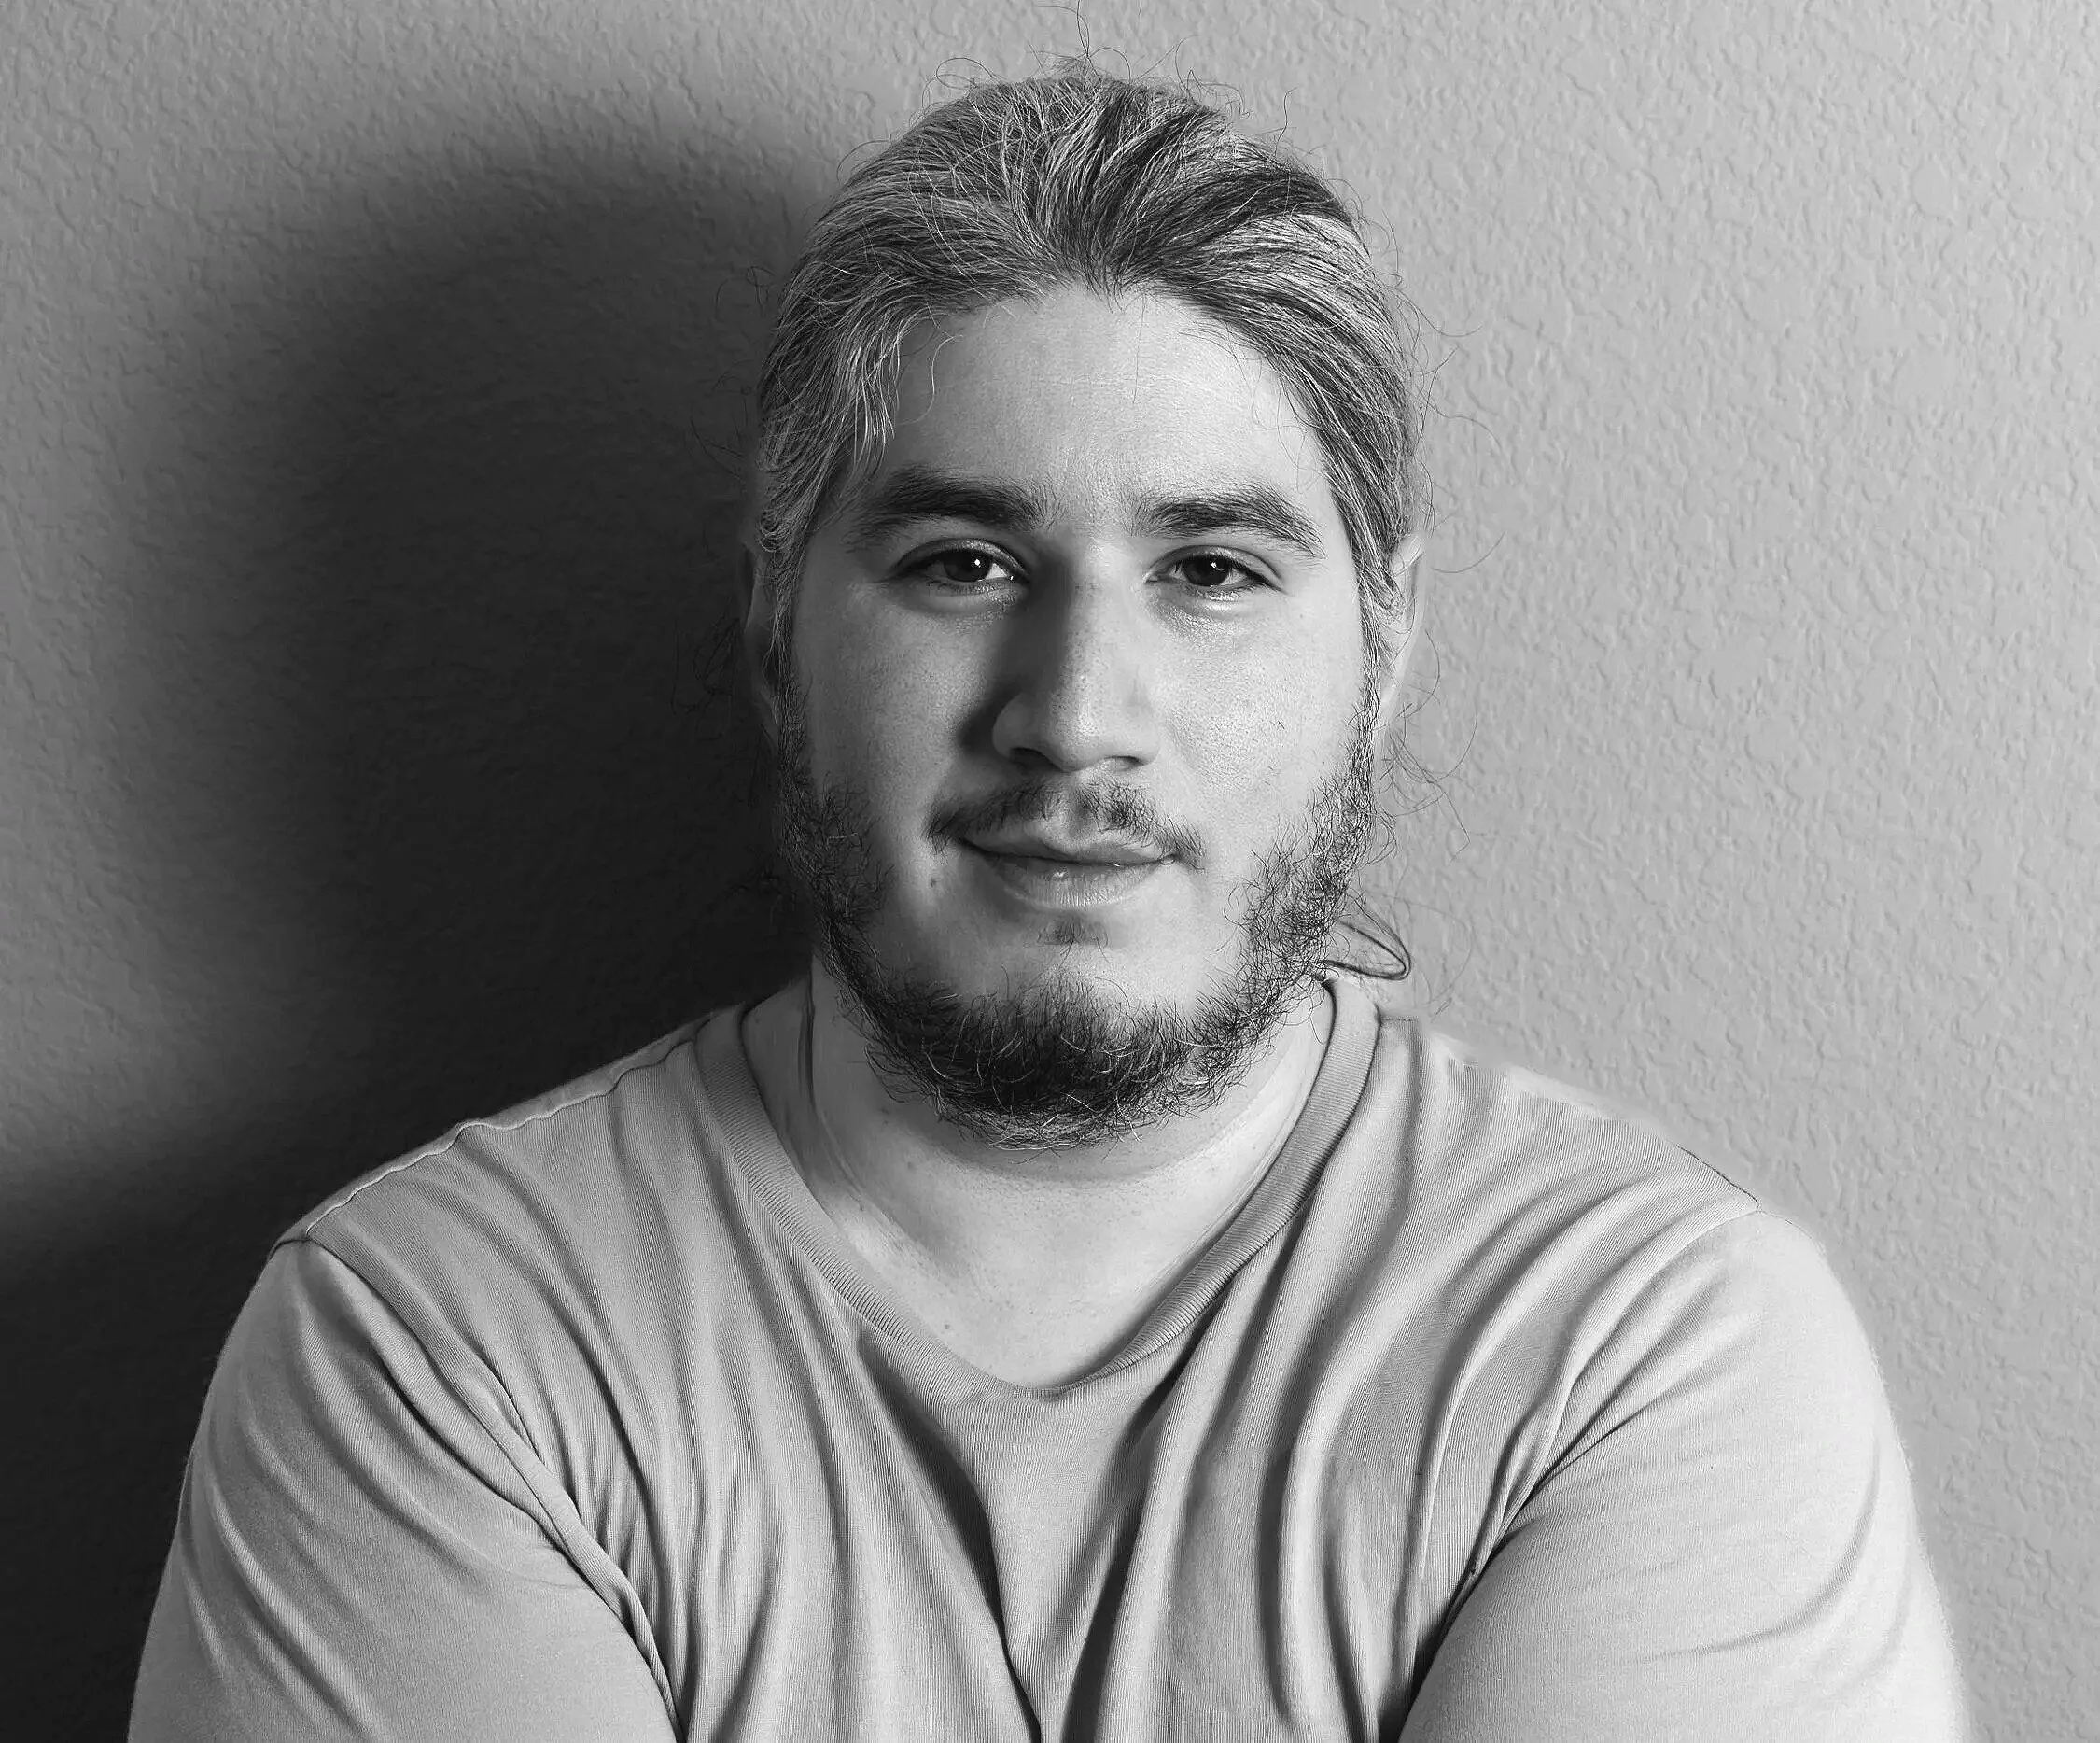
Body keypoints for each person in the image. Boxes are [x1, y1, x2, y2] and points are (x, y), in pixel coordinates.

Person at [130, 63, 1969, 1741]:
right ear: (778, 626)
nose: (1078, 712)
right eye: (963, 561)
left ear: (1383, 644)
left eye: (1213, 569)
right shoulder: (442, 1346)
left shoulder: (1639, 1342)